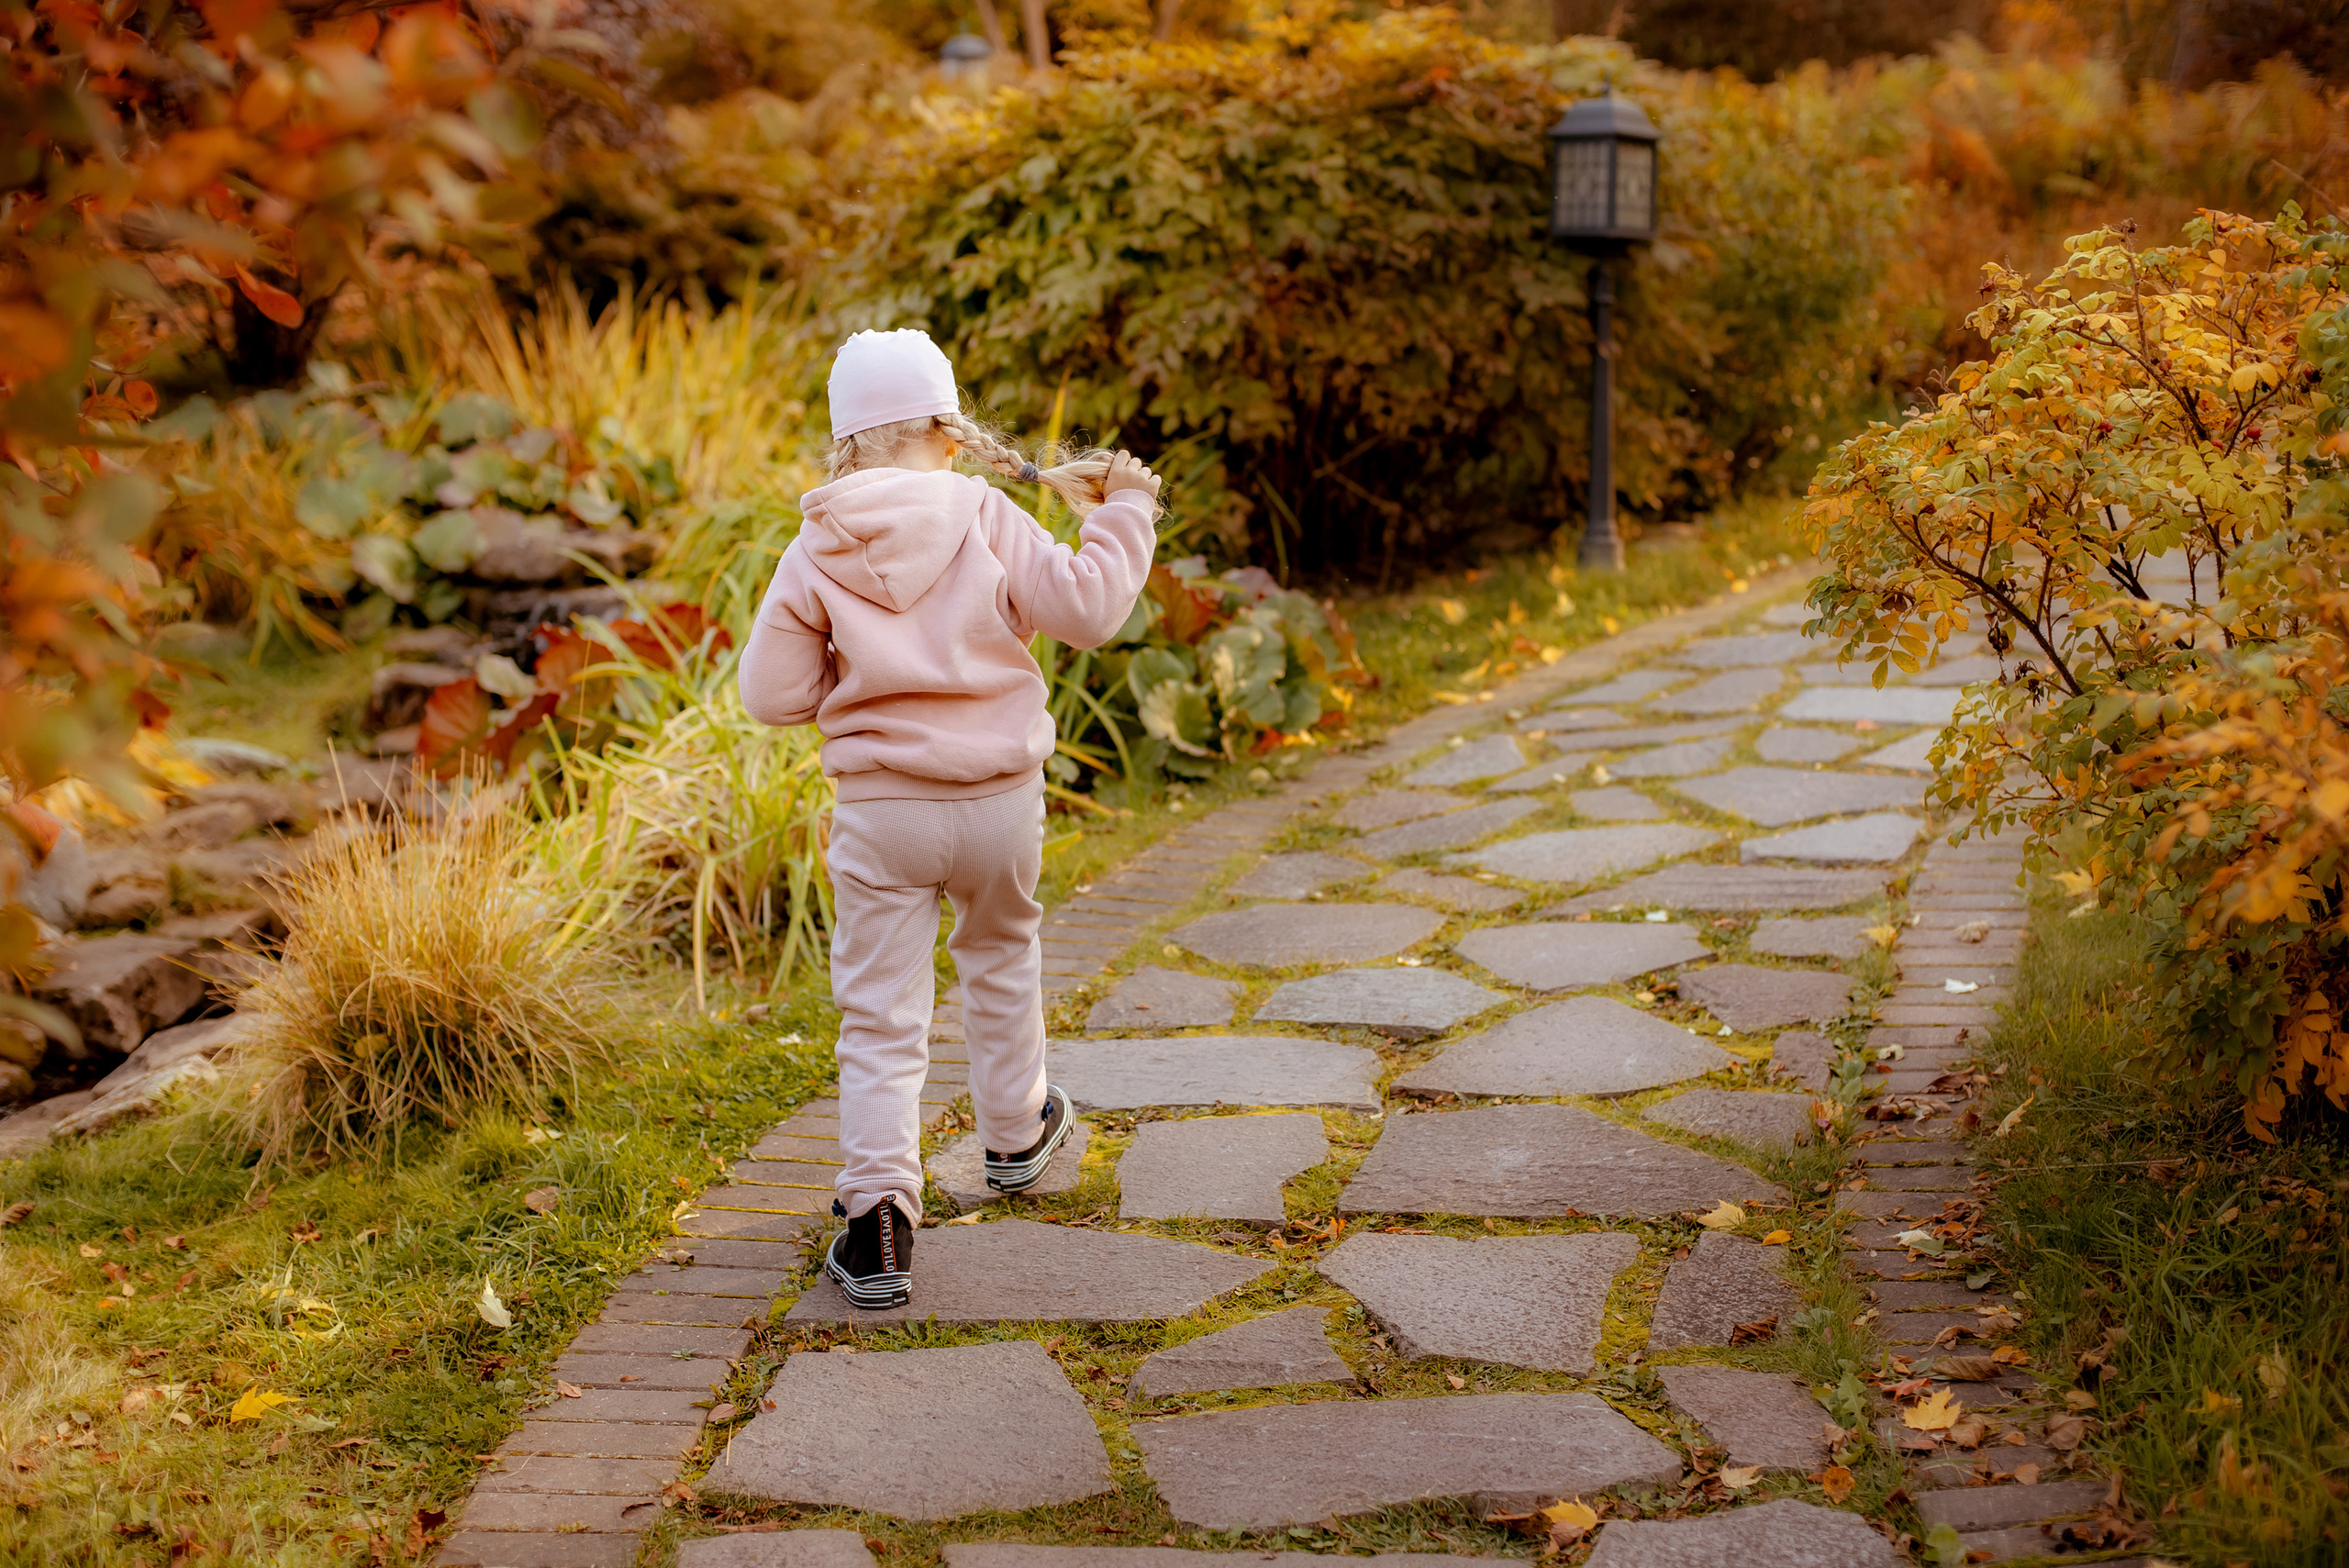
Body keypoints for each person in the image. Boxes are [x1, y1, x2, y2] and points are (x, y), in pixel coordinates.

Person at [739, 328, 1161, 1308]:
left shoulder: (818, 541)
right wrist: (1125, 509)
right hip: (998, 803)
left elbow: (771, 692)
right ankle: (1015, 1133)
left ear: (847, 437)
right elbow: (1091, 609)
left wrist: (848, 667)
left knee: (883, 1013)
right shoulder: (987, 512)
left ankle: (878, 1215)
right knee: (1002, 952)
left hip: (885, 812)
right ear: (946, 425)